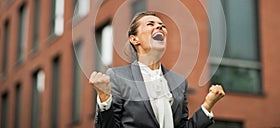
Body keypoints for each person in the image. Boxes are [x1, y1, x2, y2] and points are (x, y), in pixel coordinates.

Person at [89, 11, 225, 128]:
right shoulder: (118, 77)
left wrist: (207, 105)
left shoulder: (179, 82)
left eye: (162, 26)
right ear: (134, 39)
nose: (159, 26)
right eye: (150, 24)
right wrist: (105, 98)